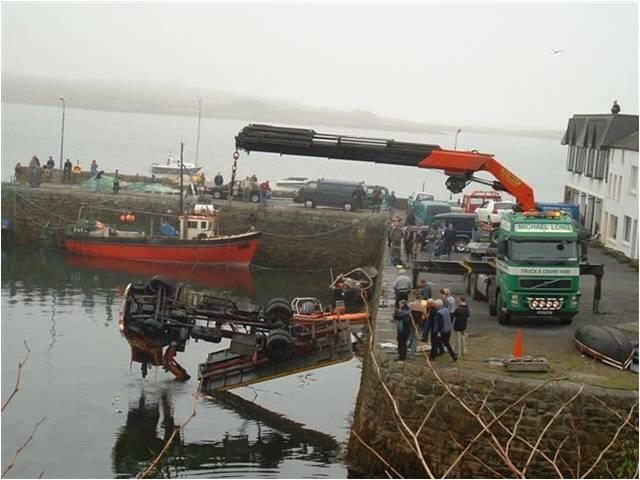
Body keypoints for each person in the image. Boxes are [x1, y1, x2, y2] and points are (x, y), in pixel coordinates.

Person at [408, 293, 426, 357]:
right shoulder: (423, 306)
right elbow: (424, 316)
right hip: (418, 324)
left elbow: (408, 313)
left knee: (408, 336)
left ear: (415, 298)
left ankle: (405, 349)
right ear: (420, 299)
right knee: (415, 338)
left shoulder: (411, 304)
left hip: (410, 323)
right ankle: (412, 353)